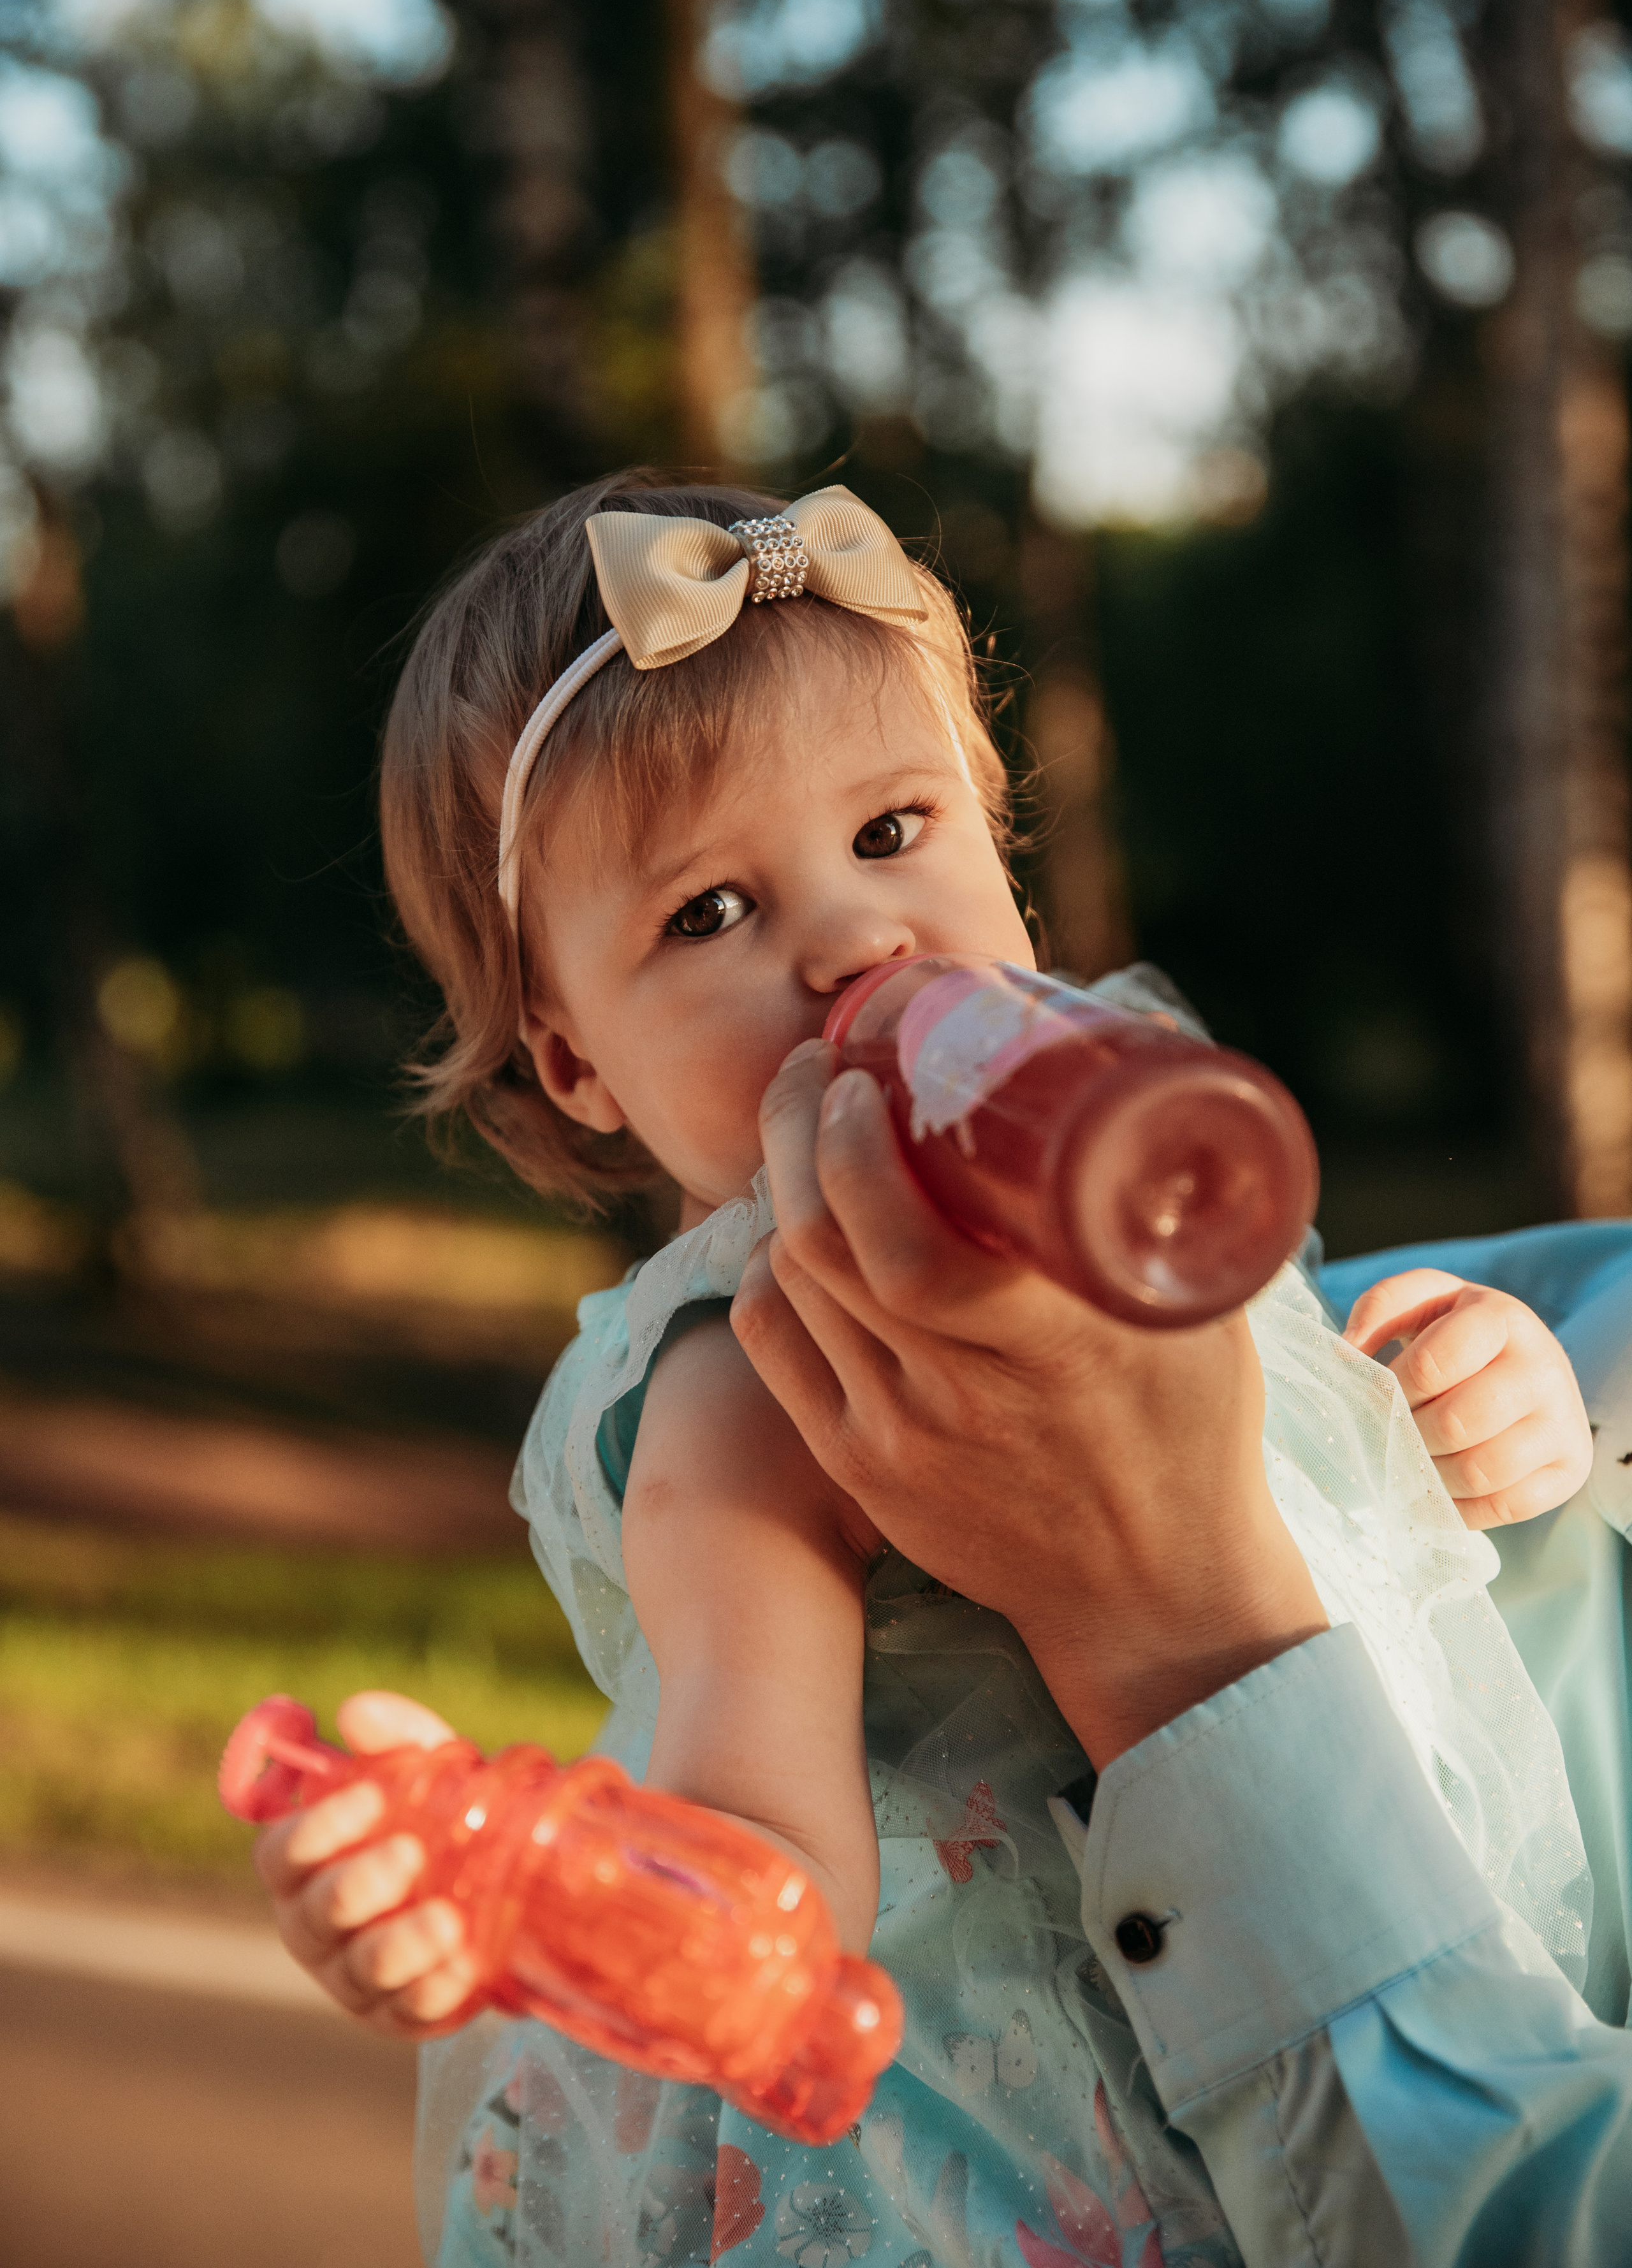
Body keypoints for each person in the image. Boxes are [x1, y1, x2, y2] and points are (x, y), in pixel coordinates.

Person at [257, 475, 1623, 2268]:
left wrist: (1485, 1380)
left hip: (1435, 1994)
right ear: (575, 1063)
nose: (853, 940)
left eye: (894, 829)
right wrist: (550, 1892)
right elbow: (764, 1849)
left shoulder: (1126, 1162)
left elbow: (1330, 1424)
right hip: (1088, 2167)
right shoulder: (755, 1374)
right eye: (710, 911)